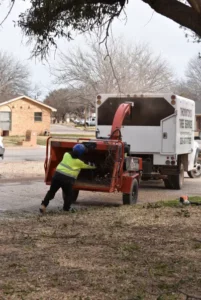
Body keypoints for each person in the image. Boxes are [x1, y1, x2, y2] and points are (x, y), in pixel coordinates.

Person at [40, 144, 96, 213]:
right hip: (67, 180)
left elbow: (71, 152)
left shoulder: (66, 154)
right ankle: (66, 209)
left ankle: (43, 205)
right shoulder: (79, 162)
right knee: (69, 195)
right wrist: (95, 165)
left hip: (57, 176)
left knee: (51, 192)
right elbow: (90, 166)